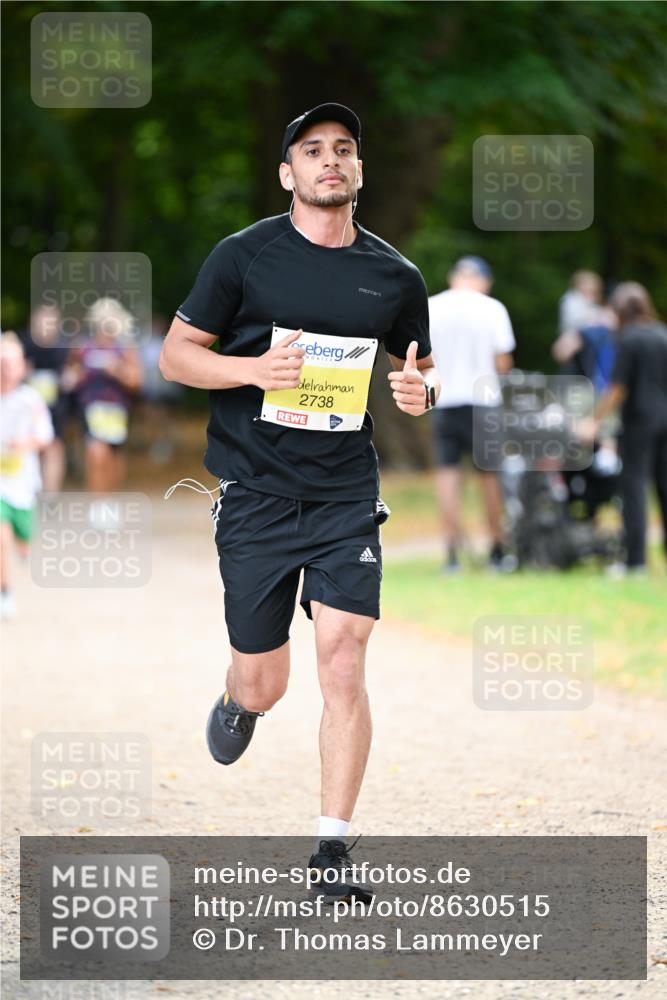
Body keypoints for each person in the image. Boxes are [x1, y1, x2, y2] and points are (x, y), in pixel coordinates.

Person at [160, 103, 440, 899]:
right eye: (312, 150)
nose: (329, 161)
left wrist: (421, 393)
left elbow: (422, 372)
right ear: (288, 173)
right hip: (254, 491)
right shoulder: (243, 256)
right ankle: (237, 696)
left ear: (357, 171)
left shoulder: (395, 275)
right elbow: (177, 356)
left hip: (345, 491)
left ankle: (331, 854)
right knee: (266, 683)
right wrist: (254, 372)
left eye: (343, 150)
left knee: (344, 655)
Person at [427, 256, 515, 572]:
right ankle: (497, 549)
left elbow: (427, 357)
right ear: (483, 280)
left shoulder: (432, 306)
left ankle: (451, 554)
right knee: (489, 477)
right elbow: (502, 362)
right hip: (484, 400)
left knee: (447, 476)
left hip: (445, 399)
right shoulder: (492, 308)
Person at [581, 282, 667, 575]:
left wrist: (594, 420)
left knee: (634, 488)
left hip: (639, 422)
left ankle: (636, 561)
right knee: (664, 487)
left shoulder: (628, 339)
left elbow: (617, 388)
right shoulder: (662, 333)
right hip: (665, 419)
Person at [62, 297, 142, 527]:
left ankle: (110, 502)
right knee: (96, 452)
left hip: (116, 411)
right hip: (90, 409)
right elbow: (71, 373)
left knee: (113, 458)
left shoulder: (125, 348)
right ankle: (98, 505)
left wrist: (115, 369)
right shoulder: (82, 346)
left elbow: (136, 381)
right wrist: (74, 377)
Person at [0, 333, 54, 619]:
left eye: (10, 363)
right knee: (1, 537)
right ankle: (5, 591)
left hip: (22, 482)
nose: (5, 369)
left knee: (22, 538)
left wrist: (25, 445)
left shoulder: (30, 400)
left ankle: (24, 547)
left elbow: (45, 436)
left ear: (22, 368)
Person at [22, 305, 71, 492]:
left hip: (56, 404)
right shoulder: (25, 343)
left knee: (54, 446)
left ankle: (50, 494)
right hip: (29, 405)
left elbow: (71, 370)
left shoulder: (64, 346)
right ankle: (30, 490)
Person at [552, 269, 604, 376]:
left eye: (593, 291)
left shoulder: (593, 306)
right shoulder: (572, 300)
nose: (589, 294)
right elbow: (577, 321)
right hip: (573, 349)